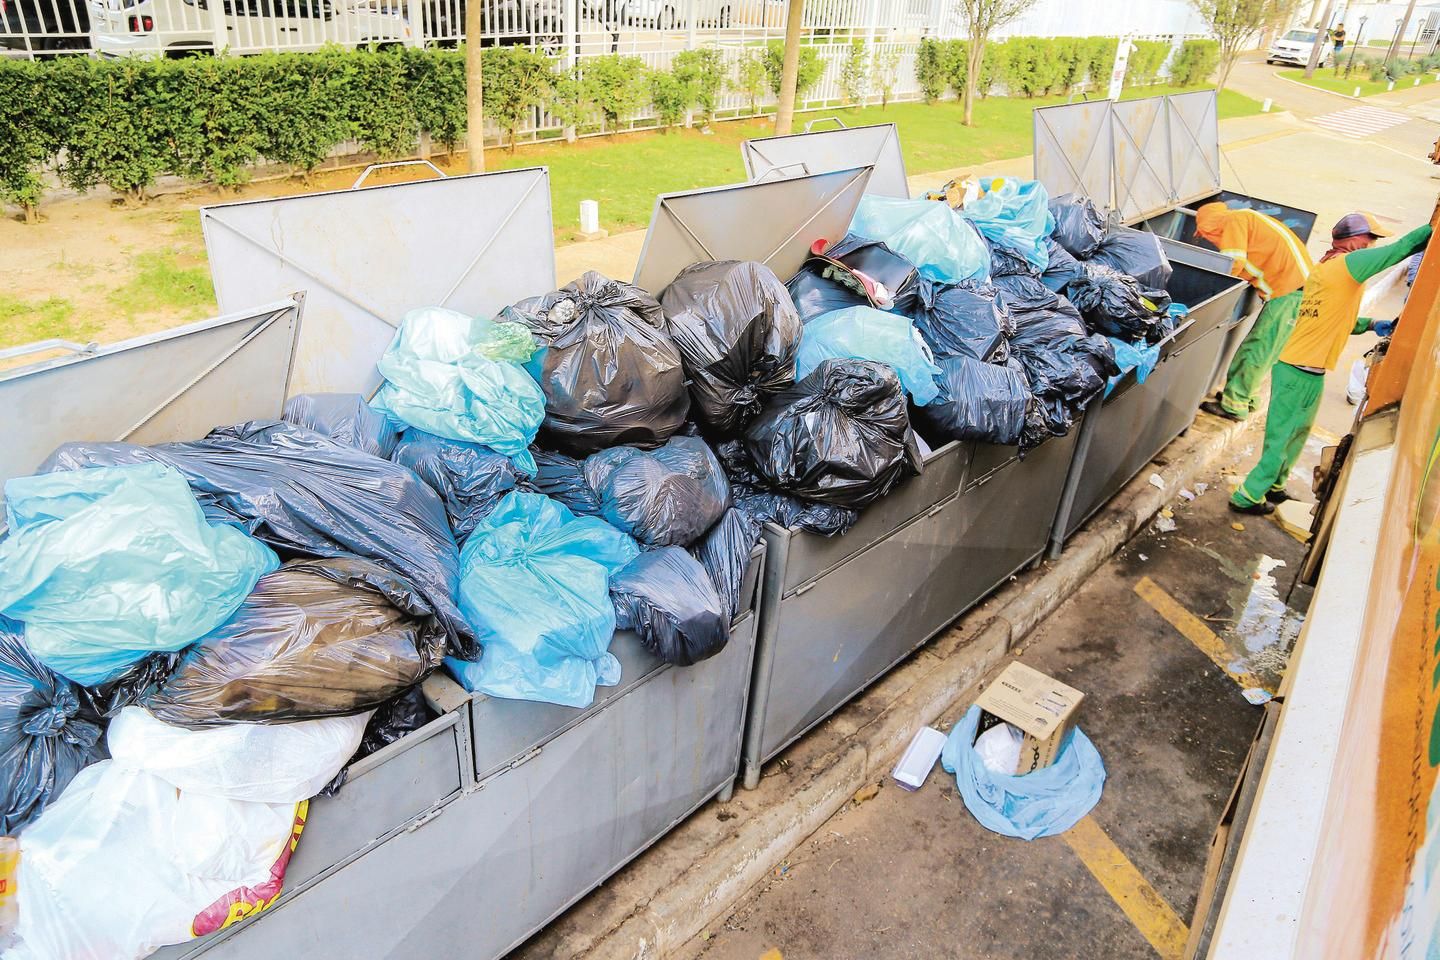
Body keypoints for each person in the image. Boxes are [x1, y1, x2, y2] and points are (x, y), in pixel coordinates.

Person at [1230, 213, 1431, 515]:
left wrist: (1372, 324)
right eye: (1370, 238)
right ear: (1352, 240)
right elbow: (1399, 249)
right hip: (1297, 368)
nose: (1372, 244)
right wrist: (1433, 228)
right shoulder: (1347, 266)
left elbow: (1337, 319)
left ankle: (1274, 485)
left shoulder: (1331, 269)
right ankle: (1248, 495)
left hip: (1309, 369)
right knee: (1281, 435)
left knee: (1298, 433)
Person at [1195, 203, 1314, 422]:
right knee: (1267, 351)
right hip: (1297, 290)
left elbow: (1233, 263)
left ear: (1209, 225)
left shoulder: (1233, 221)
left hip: (1289, 292)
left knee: (1256, 351)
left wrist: (1210, 291)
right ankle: (1246, 398)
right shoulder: (1247, 218)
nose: (1207, 238)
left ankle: (1234, 406)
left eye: (1205, 234)